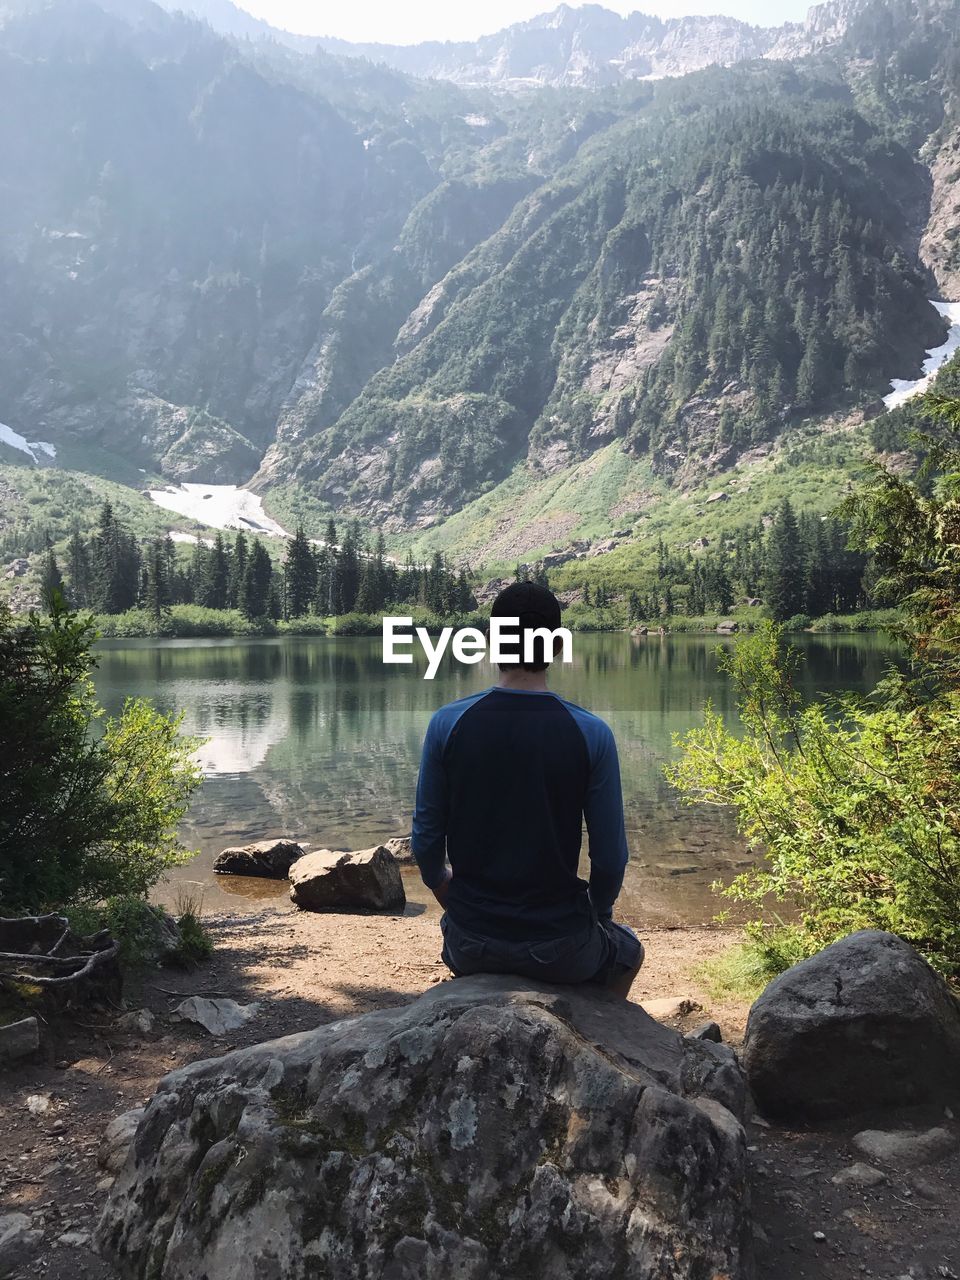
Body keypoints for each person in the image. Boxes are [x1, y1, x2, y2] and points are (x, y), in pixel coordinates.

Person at [411, 581, 643, 997]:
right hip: (561, 947)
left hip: (469, 944)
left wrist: (445, 891)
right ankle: (589, 1034)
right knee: (627, 950)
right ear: (556, 647)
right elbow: (610, 859)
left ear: (490, 643)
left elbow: (426, 842)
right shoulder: (591, 733)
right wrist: (599, 913)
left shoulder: (447, 724)